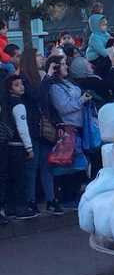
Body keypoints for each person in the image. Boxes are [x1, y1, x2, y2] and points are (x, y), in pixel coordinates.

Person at [19, 48, 63, 215]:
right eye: (38, 55)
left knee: (46, 165)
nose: (41, 58)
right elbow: (37, 95)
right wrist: (49, 76)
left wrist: (57, 122)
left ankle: (51, 200)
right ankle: (31, 201)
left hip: (45, 126)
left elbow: (47, 102)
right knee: (32, 165)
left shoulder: (41, 76)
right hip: (32, 126)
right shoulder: (23, 77)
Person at [46, 55, 92, 208]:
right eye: (63, 64)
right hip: (68, 128)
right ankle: (67, 196)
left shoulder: (68, 82)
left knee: (79, 162)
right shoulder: (55, 87)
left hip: (78, 126)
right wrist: (81, 101)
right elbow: (63, 107)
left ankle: (74, 193)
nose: (66, 66)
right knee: (69, 163)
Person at [4, 74, 38, 219]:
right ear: (10, 88)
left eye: (21, 84)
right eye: (17, 85)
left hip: (9, 145)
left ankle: (10, 207)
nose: (21, 87)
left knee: (12, 177)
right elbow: (22, 127)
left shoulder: (7, 102)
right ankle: (21, 208)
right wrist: (29, 147)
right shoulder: (19, 104)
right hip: (19, 145)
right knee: (20, 178)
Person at [85, 14, 114, 78]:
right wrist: (110, 56)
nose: (106, 26)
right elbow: (100, 49)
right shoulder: (94, 37)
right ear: (96, 26)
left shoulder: (105, 34)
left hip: (101, 54)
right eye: (103, 25)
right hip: (94, 57)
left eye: (106, 24)